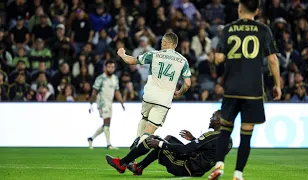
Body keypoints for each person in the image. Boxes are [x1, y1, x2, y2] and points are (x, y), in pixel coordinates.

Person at [207, 1, 281, 180]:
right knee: (246, 134)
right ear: (257, 10)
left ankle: (219, 165)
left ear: (239, 8)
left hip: (232, 88)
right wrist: (277, 85)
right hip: (253, 90)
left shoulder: (228, 30)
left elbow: (218, 58)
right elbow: (272, 60)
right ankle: (238, 174)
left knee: (225, 129)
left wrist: (215, 58)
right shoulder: (264, 30)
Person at [106, 32, 192, 173]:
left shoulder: (154, 54)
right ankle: (126, 160)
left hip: (149, 96)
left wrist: (122, 54)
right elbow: (188, 83)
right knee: (148, 134)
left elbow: (131, 61)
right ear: (175, 45)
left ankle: (134, 151)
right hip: (164, 100)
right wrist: (179, 92)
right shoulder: (183, 61)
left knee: (143, 121)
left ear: (165, 43)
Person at [126, 110, 232, 177]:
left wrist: (160, 144)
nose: (210, 119)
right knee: (169, 138)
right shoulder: (228, 140)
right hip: (199, 169)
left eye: (213, 117)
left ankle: (135, 166)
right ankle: (138, 167)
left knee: (156, 141)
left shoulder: (211, 136)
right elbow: (210, 151)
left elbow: (185, 150)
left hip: (186, 167)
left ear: (218, 121)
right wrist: (193, 139)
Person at [87, 60, 125, 150]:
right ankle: (108, 144)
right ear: (105, 68)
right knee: (107, 122)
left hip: (109, 103)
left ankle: (91, 138)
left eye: (112, 67)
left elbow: (117, 92)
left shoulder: (115, 78)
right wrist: (91, 104)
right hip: (102, 103)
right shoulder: (100, 78)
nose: (111, 69)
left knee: (106, 124)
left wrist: (121, 102)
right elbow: (94, 92)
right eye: (109, 67)